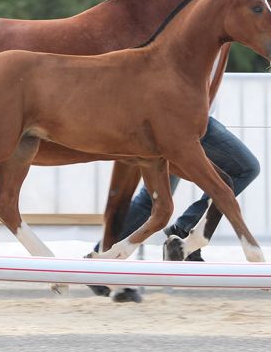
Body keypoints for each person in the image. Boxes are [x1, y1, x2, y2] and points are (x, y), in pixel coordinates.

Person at [91, 116, 260, 303]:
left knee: (152, 199)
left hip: (167, 123)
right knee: (245, 169)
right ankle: (184, 230)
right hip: (186, 122)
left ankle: (101, 257)